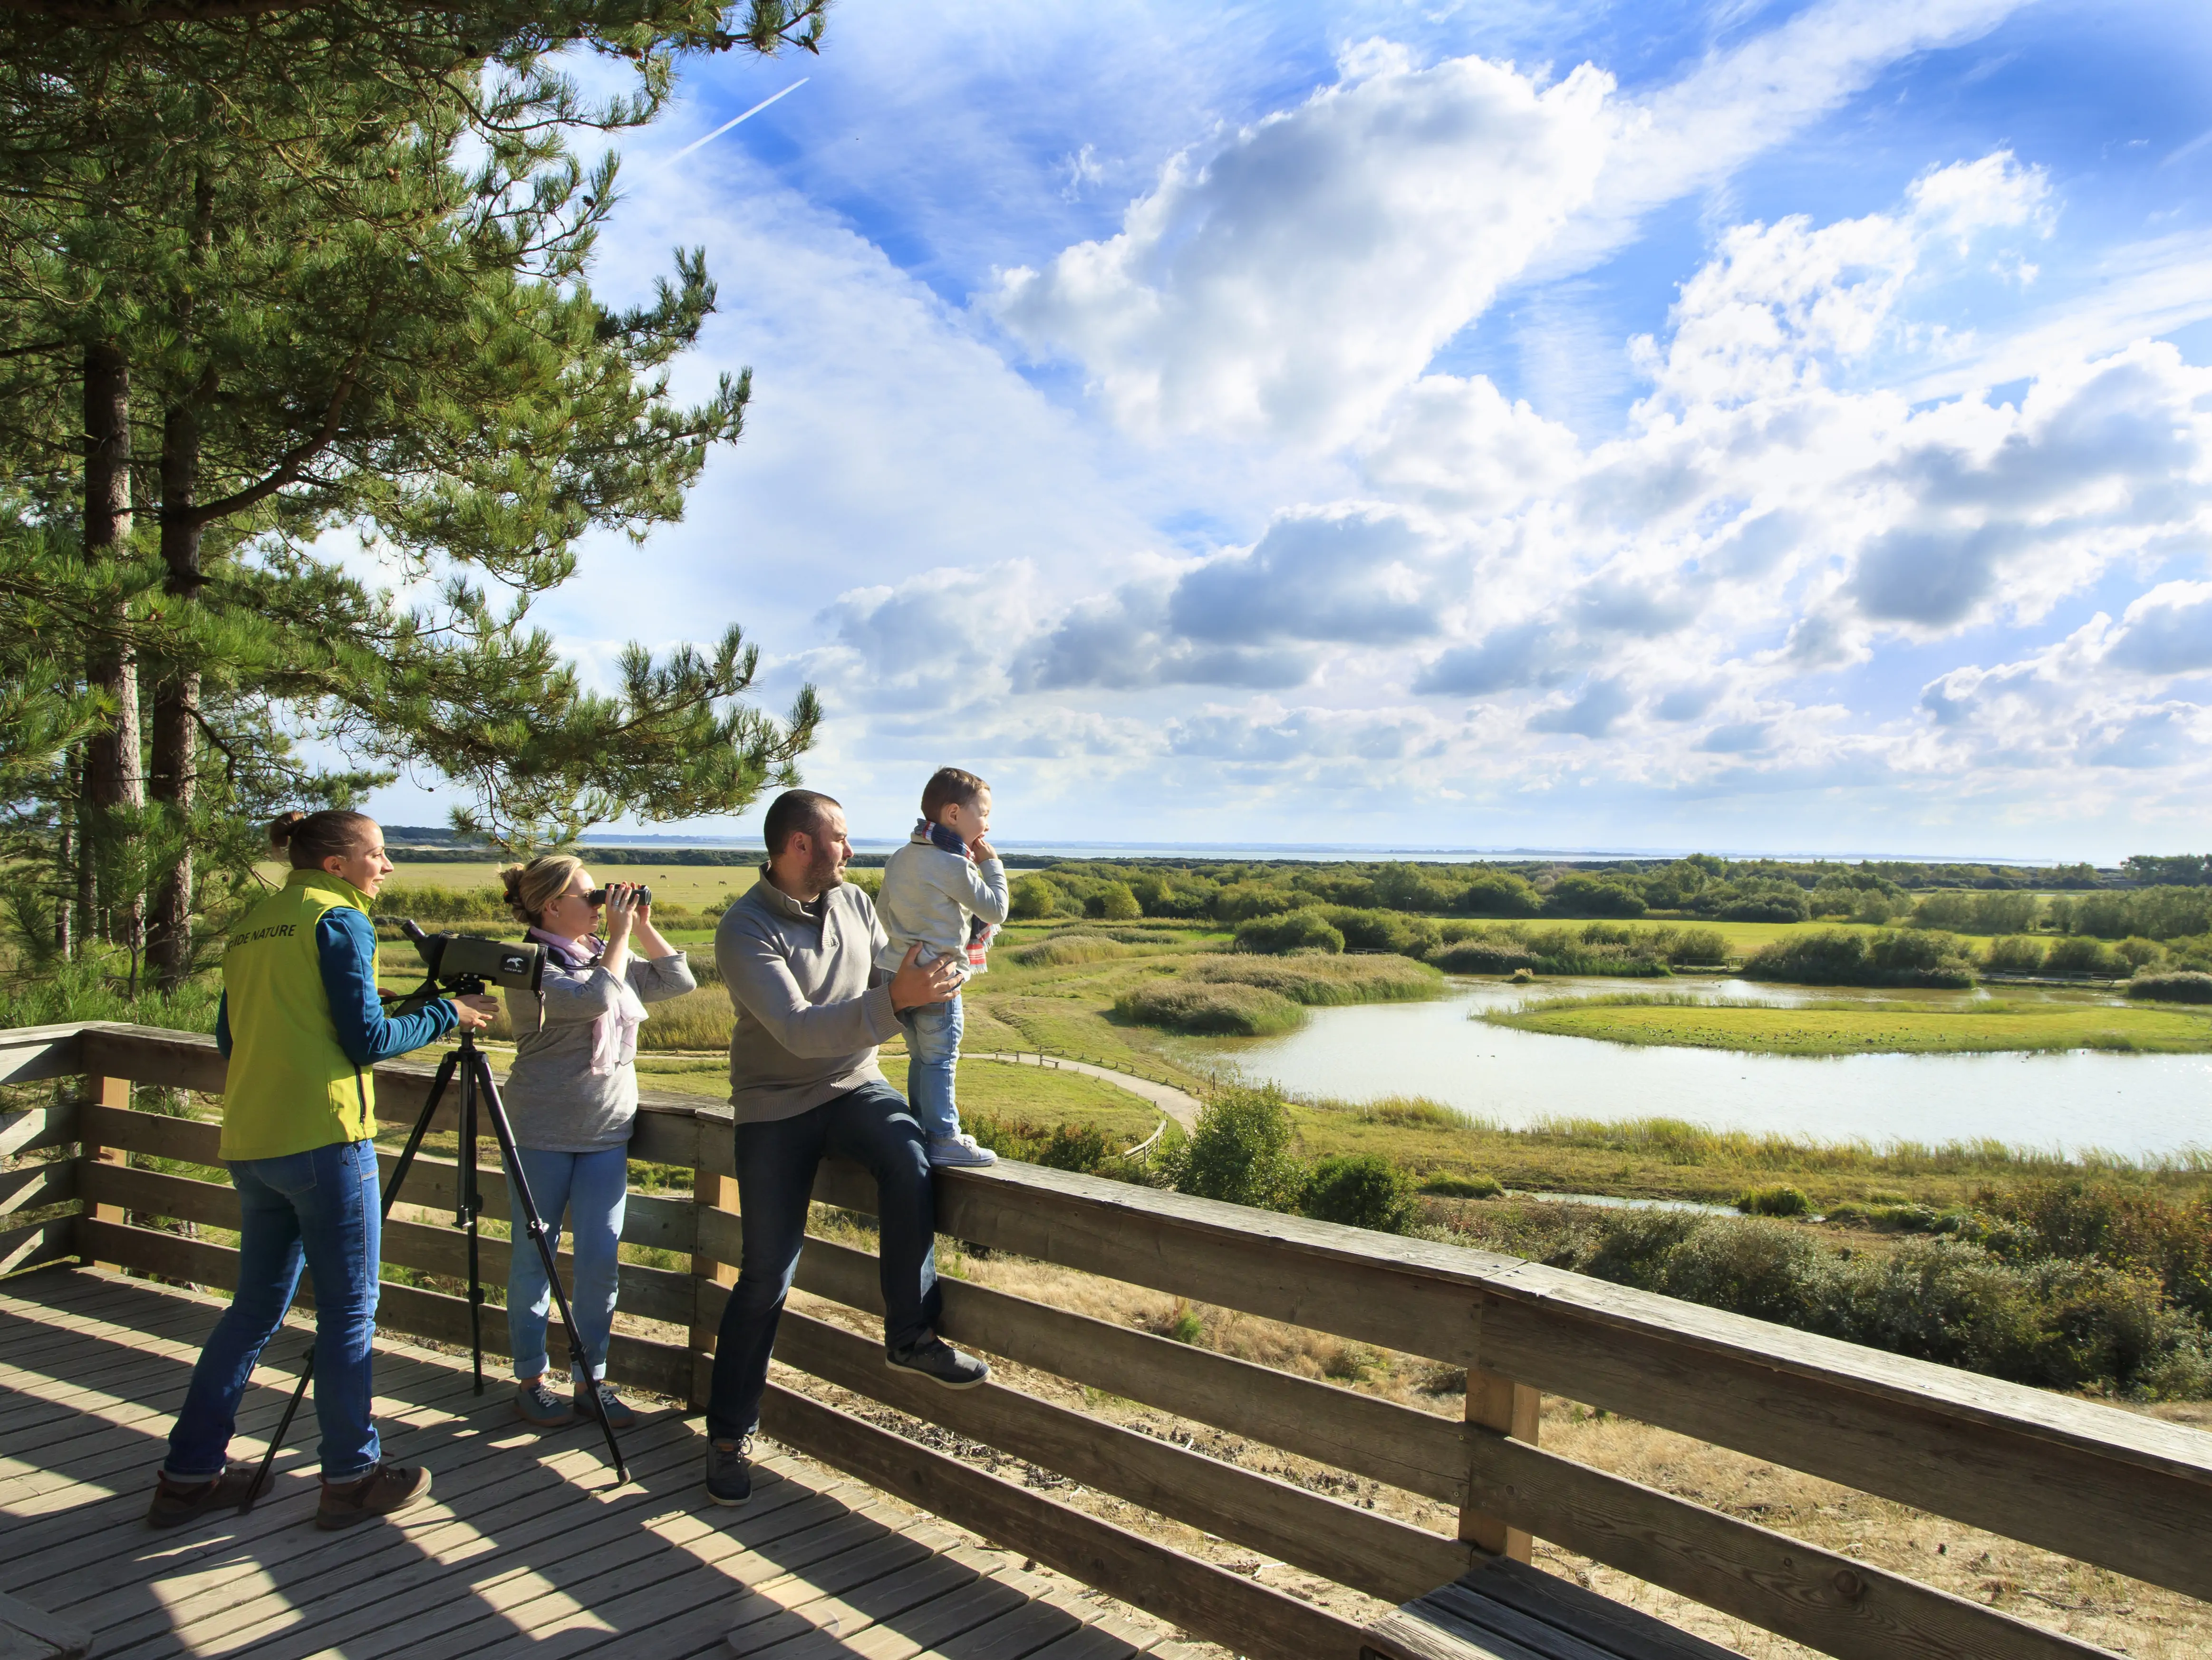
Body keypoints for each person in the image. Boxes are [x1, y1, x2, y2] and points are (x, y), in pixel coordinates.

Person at [150, 810, 499, 1531]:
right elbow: (367, 1040)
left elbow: (229, 1036)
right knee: (347, 1314)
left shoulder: (255, 924)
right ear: (338, 864)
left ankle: (187, 1477)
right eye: (378, 854)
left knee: (252, 1312)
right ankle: (351, 1476)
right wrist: (448, 1013)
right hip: (327, 1137)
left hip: (254, 1139)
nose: (388, 866)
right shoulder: (339, 921)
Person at [704, 788, 988, 1506]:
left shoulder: (857, 905)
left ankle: (909, 1335)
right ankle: (728, 1436)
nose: (851, 850)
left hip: (853, 1083)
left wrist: (935, 975)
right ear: (800, 845)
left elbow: (878, 989)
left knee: (908, 1155)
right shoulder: (743, 930)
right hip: (774, 1105)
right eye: (840, 837)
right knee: (766, 1274)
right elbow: (798, 1030)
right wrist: (896, 1000)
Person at [496, 855, 695, 1430]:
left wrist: (643, 922)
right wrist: (620, 935)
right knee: (535, 1259)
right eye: (590, 897)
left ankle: (592, 1379)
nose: (600, 906)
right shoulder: (529, 965)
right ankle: (532, 1379)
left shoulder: (599, 955)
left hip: (607, 1132)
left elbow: (679, 980)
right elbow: (595, 1000)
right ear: (551, 906)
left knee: (600, 1262)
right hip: (542, 1132)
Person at [873, 767, 1010, 1169]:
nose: (987, 822)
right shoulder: (954, 866)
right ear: (954, 814)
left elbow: (883, 911)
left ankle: (921, 1126)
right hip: (938, 976)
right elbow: (995, 908)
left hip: (896, 972)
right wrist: (992, 865)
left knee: (920, 1056)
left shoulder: (900, 857)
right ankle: (944, 1137)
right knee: (941, 1058)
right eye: (983, 813)